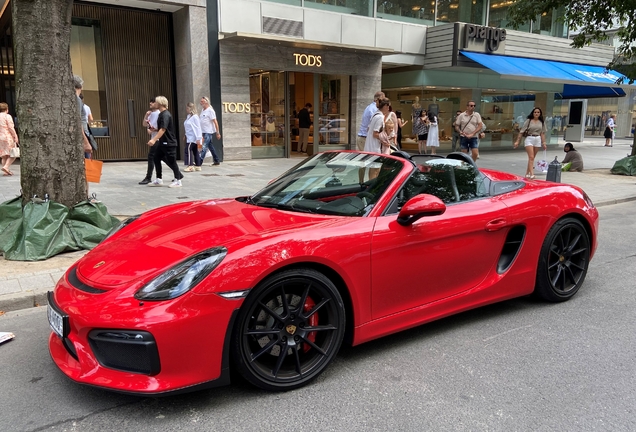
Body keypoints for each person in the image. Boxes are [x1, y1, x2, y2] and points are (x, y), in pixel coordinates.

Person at [147, 96, 183, 188]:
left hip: (169, 142)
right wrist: (155, 130)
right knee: (156, 157)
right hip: (163, 142)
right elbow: (161, 129)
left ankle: (178, 180)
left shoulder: (165, 114)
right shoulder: (161, 114)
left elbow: (163, 129)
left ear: (160, 103)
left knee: (172, 161)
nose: (154, 104)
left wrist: (153, 139)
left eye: (155, 102)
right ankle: (159, 179)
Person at [73, 75, 96, 201]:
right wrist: (85, 141)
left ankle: (85, 194)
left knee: (85, 168)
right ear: (80, 86)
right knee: (85, 168)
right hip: (82, 137)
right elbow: (79, 122)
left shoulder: (73, 99)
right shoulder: (76, 99)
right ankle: (85, 196)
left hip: (80, 136)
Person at [514, 107, 547, 179]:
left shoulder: (542, 122)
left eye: (538, 112)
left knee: (532, 158)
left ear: (540, 113)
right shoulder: (528, 121)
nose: (536, 113)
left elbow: (542, 133)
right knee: (531, 157)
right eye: (535, 112)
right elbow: (521, 131)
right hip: (529, 138)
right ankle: (532, 174)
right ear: (532, 113)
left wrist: (544, 143)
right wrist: (517, 141)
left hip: (537, 139)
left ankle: (527, 173)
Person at [364, 97, 391, 180]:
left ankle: (370, 185)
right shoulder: (380, 117)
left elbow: (369, 129)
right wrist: (384, 141)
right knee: (375, 170)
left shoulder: (375, 114)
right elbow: (375, 134)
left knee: (373, 169)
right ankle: (372, 188)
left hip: (370, 146)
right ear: (386, 106)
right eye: (388, 106)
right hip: (375, 147)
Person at [139, 99, 160, 184]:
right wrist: (146, 116)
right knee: (165, 158)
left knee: (151, 157)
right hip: (153, 138)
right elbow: (144, 124)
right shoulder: (151, 114)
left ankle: (148, 177)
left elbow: (163, 128)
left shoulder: (159, 114)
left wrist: (154, 130)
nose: (150, 103)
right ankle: (178, 175)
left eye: (153, 102)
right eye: (150, 102)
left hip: (157, 139)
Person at [199, 96, 221, 165]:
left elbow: (215, 122)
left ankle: (199, 162)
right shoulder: (202, 110)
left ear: (206, 102)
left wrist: (217, 132)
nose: (201, 103)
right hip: (203, 131)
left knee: (204, 147)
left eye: (202, 101)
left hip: (208, 132)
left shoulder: (210, 111)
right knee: (210, 146)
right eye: (201, 101)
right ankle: (216, 160)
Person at [183, 102, 202, 172]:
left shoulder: (195, 117)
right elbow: (188, 127)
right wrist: (185, 135)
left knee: (187, 150)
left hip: (193, 138)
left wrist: (198, 138)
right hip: (189, 137)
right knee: (195, 151)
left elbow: (198, 128)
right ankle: (198, 165)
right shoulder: (189, 117)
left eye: (187, 108)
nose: (186, 109)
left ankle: (190, 165)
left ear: (190, 108)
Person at [0, 103, 19, 176]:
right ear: (6, 109)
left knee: (4, 155)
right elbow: (11, 127)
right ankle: (6, 167)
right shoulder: (7, 116)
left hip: (0, 137)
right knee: (13, 153)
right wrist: (15, 136)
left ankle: (5, 171)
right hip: (7, 136)